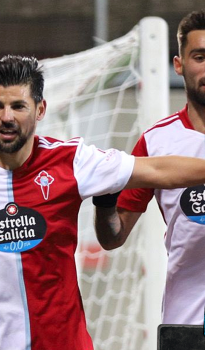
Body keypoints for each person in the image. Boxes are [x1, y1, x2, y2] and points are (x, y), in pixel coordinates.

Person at [0, 54, 205, 350]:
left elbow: (156, 170)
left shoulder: (72, 160)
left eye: (18, 106)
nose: (7, 117)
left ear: (40, 110)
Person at [93, 9, 205, 325]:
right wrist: (104, 202)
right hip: (186, 323)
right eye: (200, 57)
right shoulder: (155, 143)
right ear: (179, 65)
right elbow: (113, 237)